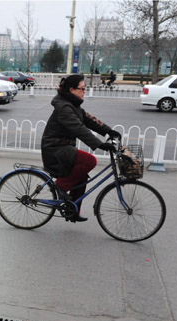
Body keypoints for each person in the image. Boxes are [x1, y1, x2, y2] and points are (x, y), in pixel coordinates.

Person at [40, 74, 121, 222]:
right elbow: (78, 128)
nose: (84, 91)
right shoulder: (64, 107)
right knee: (89, 161)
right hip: (54, 149)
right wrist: (100, 144)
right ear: (72, 89)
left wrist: (108, 131)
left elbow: (89, 120)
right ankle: (61, 186)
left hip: (64, 147)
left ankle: (73, 212)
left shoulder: (73, 104)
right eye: (82, 89)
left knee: (81, 177)